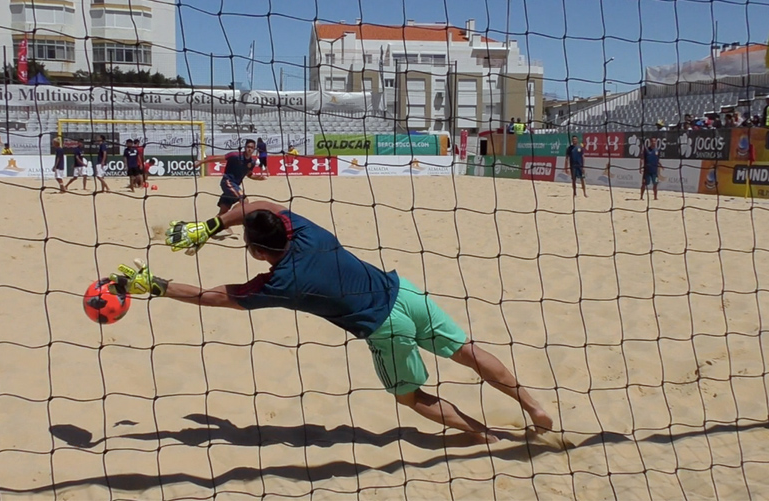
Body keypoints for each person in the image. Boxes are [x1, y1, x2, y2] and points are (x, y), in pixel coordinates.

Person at [109, 201, 554, 443]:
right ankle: (535, 407)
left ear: (259, 253)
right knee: (467, 352)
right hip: (407, 294)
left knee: (410, 397)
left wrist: (158, 285)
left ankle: (485, 436)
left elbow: (214, 297)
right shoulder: (305, 230)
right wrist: (207, 226)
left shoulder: (281, 283)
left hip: (383, 327)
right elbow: (258, 204)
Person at [193, 139, 266, 239]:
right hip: (227, 182)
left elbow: (249, 175)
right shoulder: (235, 156)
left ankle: (204, 229)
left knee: (223, 212)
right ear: (245, 147)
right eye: (248, 147)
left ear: (254, 149)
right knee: (244, 201)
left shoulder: (252, 162)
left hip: (235, 186)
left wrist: (259, 178)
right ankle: (229, 222)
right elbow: (218, 158)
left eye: (251, 148)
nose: (249, 149)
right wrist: (202, 161)